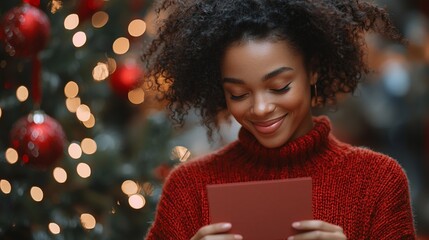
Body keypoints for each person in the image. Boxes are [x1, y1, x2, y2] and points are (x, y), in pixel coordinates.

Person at [142, 0, 416, 239]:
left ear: (313, 70)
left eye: (280, 86)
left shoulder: (377, 181)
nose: (260, 108)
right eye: (238, 94)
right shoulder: (188, 189)